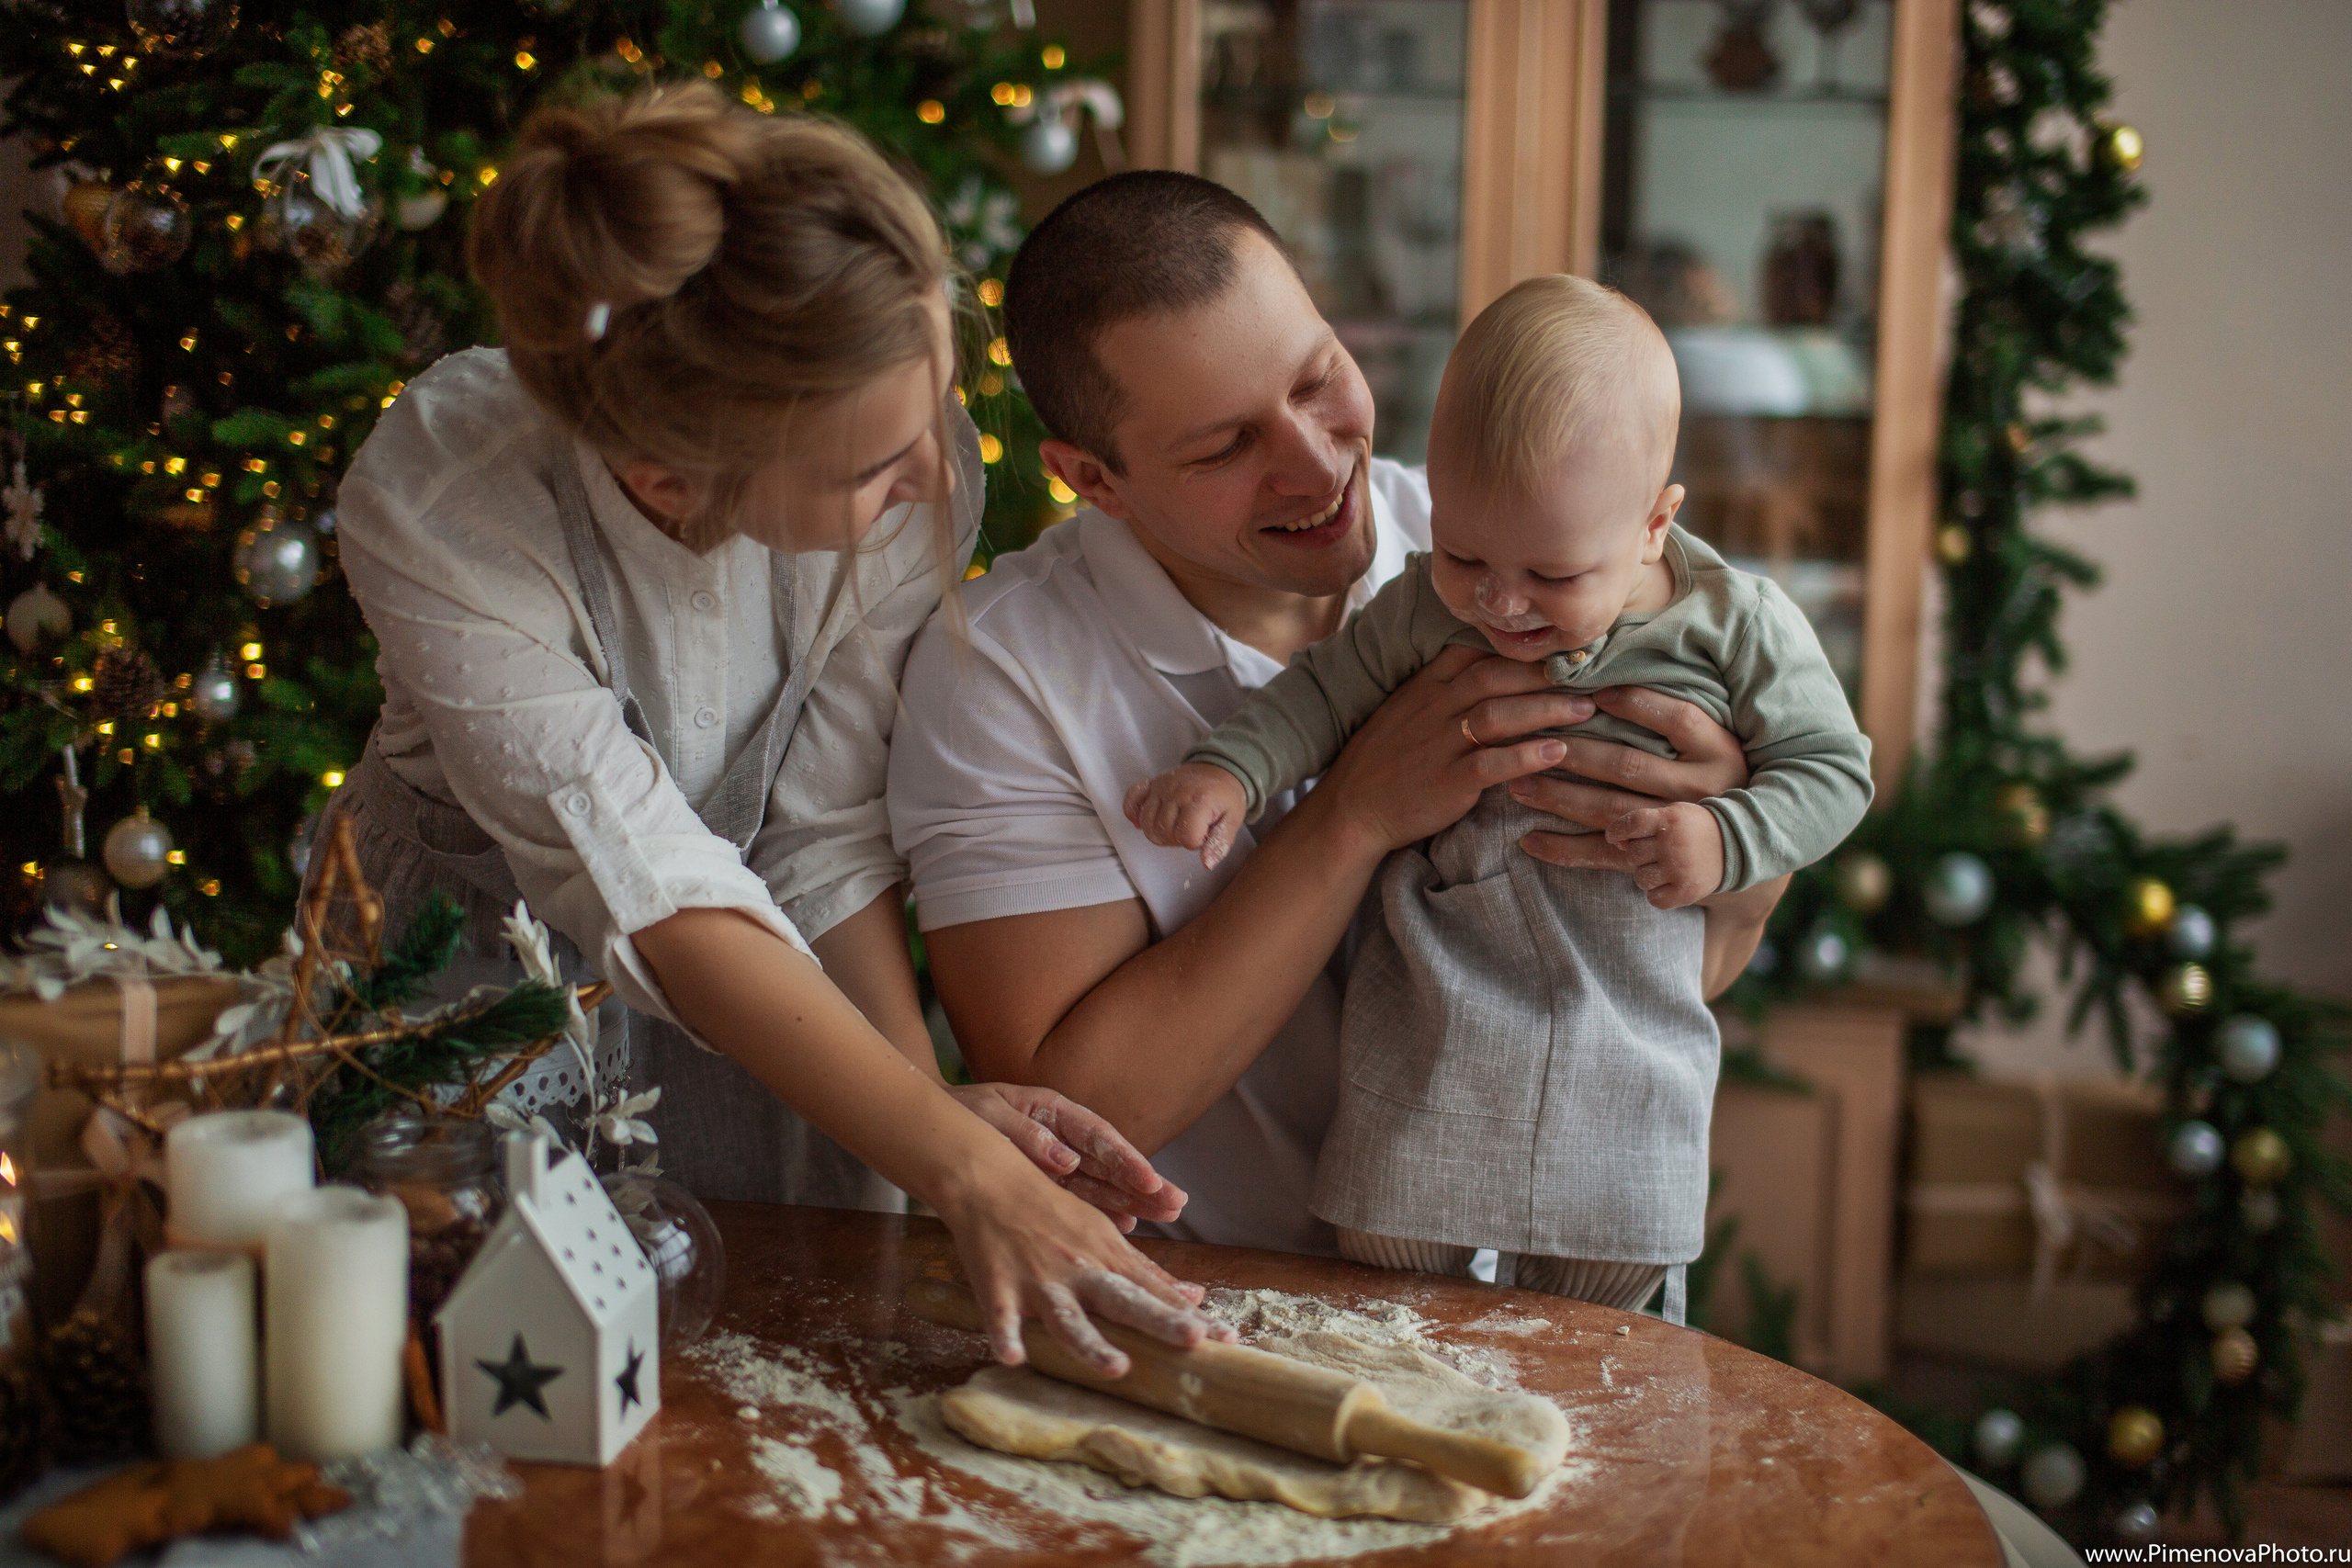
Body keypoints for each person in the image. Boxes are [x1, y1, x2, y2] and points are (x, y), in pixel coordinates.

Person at [318, 85, 1217, 1371]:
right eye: (873, 468)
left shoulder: (909, 462)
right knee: (477, 1388)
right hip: (468, 1020)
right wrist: (955, 1162)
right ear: (667, 479)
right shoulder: (450, 495)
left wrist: (924, 1118)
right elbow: (651, 882)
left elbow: (823, 831)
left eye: (937, 409)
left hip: (784, 1023)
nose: (936, 475)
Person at [889, 173, 1789, 1258]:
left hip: (1540, 1254)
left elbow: (1642, 979)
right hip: (1219, 1302)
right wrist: (1355, 813)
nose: (1315, 465)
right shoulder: (1000, 674)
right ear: (1096, 480)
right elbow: (1079, 1120)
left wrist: (1746, 869)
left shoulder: (1497, 546)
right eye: (1223, 448)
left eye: (1318, 380)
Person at [1129, 275, 1873, 1308]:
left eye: (1553, 576)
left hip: (1628, 1049)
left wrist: (1727, 835)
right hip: (1437, 1025)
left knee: (1605, 1313)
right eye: (1465, 552)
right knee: (1385, 1272)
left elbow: (1834, 771)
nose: (1500, 602)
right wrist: (1232, 771)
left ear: (1655, 525)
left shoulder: (1737, 625)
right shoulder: (1424, 609)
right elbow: (1321, 694)